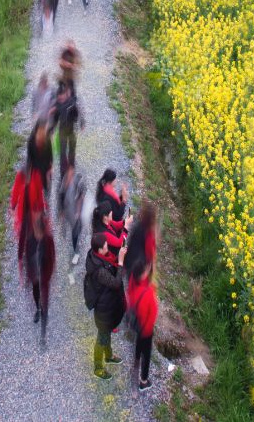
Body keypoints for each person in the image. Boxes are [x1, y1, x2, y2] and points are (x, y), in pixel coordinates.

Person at [11, 165, 55, 343]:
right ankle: (38, 309)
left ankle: (43, 331)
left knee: (44, 295)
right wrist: (23, 269)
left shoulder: (46, 230)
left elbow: (52, 253)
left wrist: (50, 271)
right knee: (37, 293)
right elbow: (21, 248)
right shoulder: (27, 226)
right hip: (34, 270)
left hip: (43, 271)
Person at [126, 206, 158, 392]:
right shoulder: (147, 294)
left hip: (137, 321)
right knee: (147, 351)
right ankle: (144, 381)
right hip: (146, 328)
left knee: (139, 342)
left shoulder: (132, 282)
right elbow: (152, 314)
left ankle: (135, 359)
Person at [86, 233, 126, 379]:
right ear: (99, 250)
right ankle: (97, 368)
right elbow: (116, 283)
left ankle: (108, 356)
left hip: (108, 307)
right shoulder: (99, 270)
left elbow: (112, 264)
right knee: (101, 338)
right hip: (104, 311)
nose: (107, 247)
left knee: (106, 333)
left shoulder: (101, 257)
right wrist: (120, 262)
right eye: (105, 246)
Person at [61, 166, 86, 265]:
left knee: (75, 233)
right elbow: (61, 195)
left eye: (71, 172)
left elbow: (82, 196)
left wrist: (78, 212)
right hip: (69, 211)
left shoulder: (79, 182)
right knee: (72, 228)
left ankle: (76, 252)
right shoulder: (64, 181)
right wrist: (62, 210)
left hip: (76, 214)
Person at [27, 119, 54, 198]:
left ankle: (46, 200)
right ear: (37, 129)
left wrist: (51, 167)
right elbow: (29, 158)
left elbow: (50, 154)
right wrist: (29, 173)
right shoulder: (31, 141)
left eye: (45, 129)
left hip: (45, 167)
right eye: (42, 129)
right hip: (36, 168)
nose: (44, 131)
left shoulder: (47, 138)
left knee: (46, 188)